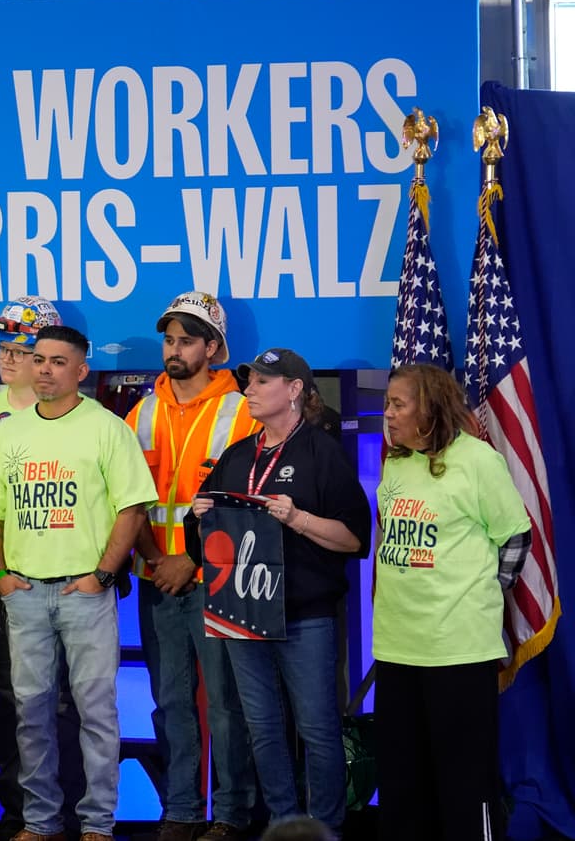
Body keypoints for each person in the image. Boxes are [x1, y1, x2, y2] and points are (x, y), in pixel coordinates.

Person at [0, 325, 155, 841]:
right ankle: (40, 822)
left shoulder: (106, 427)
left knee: (97, 712)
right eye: (39, 360)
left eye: (59, 362)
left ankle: (98, 825)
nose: (46, 370)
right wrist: (1, 578)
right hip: (26, 593)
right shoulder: (8, 432)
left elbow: (132, 508)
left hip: (85, 593)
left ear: (81, 371)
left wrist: (102, 575)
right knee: (30, 712)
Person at [186, 348, 371, 834]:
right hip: (241, 612)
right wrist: (200, 516)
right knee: (264, 730)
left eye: (263, 382)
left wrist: (298, 518)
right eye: (249, 381)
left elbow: (354, 538)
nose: (249, 389)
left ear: (294, 390)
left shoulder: (321, 451)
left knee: (317, 729)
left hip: (304, 614)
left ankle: (324, 829)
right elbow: (199, 537)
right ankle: (285, 828)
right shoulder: (238, 455)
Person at [374, 363, 531, 841]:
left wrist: (480, 591)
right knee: (402, 782)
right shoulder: (397, 461)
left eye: (399, 405)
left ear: (431, 408)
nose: (388, 415)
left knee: (465, 781)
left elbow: (515, 537)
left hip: (459, 651)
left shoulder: (479, 461)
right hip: (397, 648)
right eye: (387, 404)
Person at [125, 292, 259, 841]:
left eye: (187, 340)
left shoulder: (244, 410)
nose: (174, 350)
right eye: (169, 339)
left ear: (213, 348)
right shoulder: (142, 410)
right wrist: (157, 561)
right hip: (157, 578)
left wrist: (192, 561)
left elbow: (249, 502)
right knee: (171, 700)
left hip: (221, 581)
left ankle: (230, 815)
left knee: (228, 704)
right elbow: (126, 498)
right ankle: (180, 811)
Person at [0, 297, 83, 841]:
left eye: (21, 348)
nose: (9, 359)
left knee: (58, 700)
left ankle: (69, 814)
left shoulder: (78, 412)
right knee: (13, 699)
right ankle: (22, 818)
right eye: (3, 348)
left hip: (55, 581)